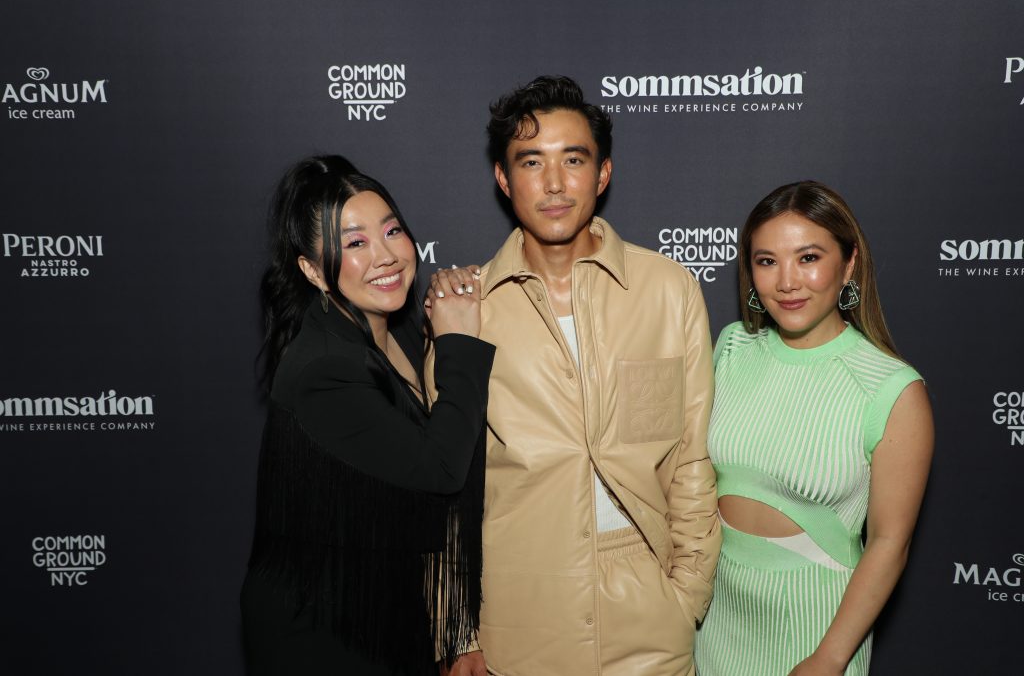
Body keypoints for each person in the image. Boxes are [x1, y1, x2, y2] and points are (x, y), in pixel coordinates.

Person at [433, 76, 720, 676]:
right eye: (532, 162)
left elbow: (690, 458)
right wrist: (457, 631)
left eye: (574, 160)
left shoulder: (668, 290)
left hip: (651, 612)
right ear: (504, 179)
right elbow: (443, 492)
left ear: (603, 173)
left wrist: (686, 593)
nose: (556, 183)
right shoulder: (467, 310)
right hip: (517, 616)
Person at [240, 155, 495, 676]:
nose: (387, 256)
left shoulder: (394, 329)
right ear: (311, 270)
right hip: (322, 632)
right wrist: (460, 343)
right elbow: (440, 471)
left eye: (392, 231)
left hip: (384, 610)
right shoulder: (323, 369)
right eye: (355, 243)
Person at [693, 181, 934, 675]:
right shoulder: (732, 348)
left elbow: (890, 542)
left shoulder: (890, 387)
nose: (786, 281)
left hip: (816, 621)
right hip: (715, 615)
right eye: (766, 261)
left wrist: (830, 657)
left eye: (807, 258)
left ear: (848, 265)